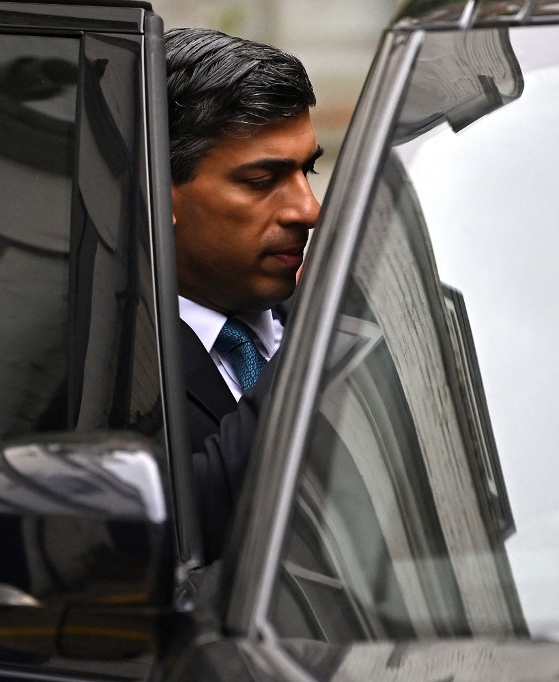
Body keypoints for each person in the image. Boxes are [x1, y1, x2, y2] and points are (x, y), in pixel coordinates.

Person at [165, 27, 322, 559]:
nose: (309, 210)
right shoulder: (107, 368)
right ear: (157, 196)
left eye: (309, 170)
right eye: (262, 179)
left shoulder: (351, 329)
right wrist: (321, 338)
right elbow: (195, 523)